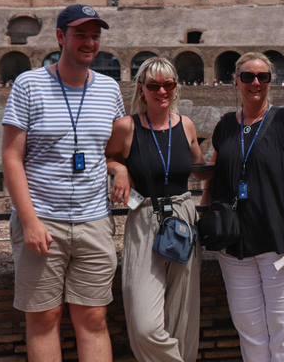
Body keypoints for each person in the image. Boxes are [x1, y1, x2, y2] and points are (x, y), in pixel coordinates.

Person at [1, 4, 123, 362]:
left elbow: (112, 153)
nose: (89, 42)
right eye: (80, 34)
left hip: (94, 221)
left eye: (94, 35)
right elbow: (11, 157)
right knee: (43, 318)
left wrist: (122, 169)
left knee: (94, 318)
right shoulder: (29, 84)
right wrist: (30, 222)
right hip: (43, 221)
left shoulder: (109, 90)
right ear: (60, 37)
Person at [204, 52, 284, 361]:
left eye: (263, 77)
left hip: (280, 241)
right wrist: (205, 221)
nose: (256, 83)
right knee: (249, 329)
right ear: (236, 82)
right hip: (235, 244)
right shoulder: (226, 125)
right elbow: (215, 177)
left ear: (270, 82)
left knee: (283, 329)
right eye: (249, 77)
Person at [106, 57, 206, 362]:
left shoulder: (186, 124)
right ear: (142, 89)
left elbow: (201, 170)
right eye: (153, 85)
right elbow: (105, 158)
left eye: (167, 84)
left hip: (184, 216)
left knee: (183, 313)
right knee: (144, 324)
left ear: (175, 87)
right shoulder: (127, 127)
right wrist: (118, 169)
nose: (161, 91)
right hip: (145, 219)